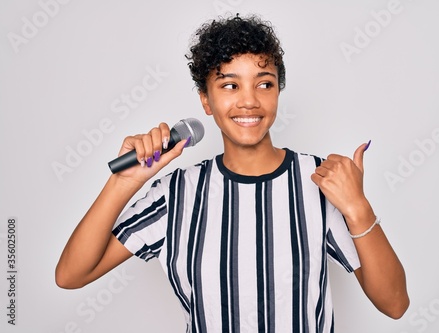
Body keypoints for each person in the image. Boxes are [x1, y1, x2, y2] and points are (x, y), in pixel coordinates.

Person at [56, 14, 409, 332]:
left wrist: (358, 207)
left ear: (278, 93)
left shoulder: (320, 181)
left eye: (264, 83)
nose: (249, 101)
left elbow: (394, 304)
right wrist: (124, 182)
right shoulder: (173, 195)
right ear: (205, 101)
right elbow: (72, 275)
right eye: (229, 85)